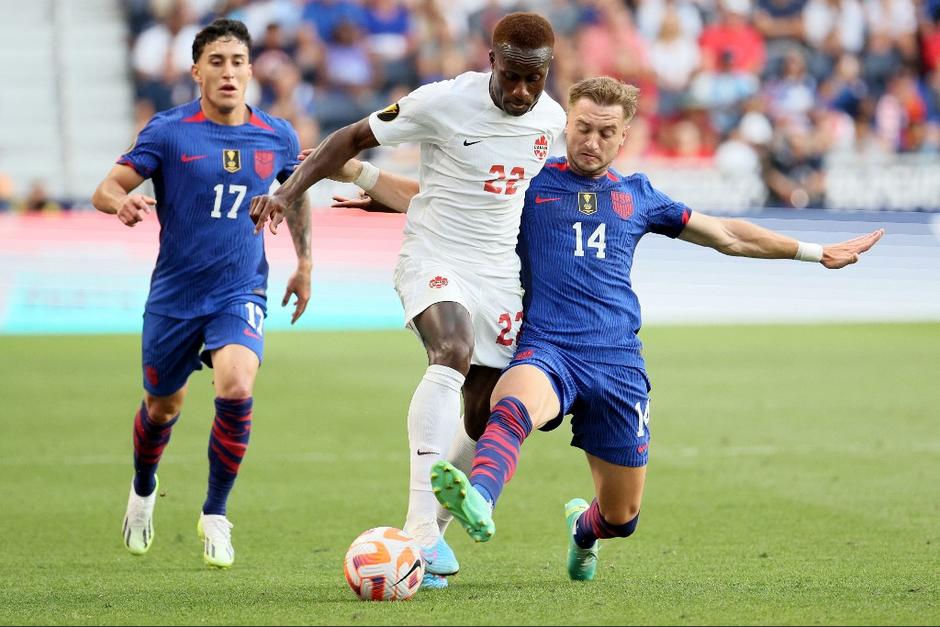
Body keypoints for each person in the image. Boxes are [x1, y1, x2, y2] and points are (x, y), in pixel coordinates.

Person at [327, 76, 884, 582]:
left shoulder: (637, 196)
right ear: (565, 124)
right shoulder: (530, 184)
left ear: (623, 138)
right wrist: (371, 183)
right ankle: (480, 501)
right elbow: (453, 204)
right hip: (547, 348)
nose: (590, 141)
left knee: (621, 517)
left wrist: (814, 252)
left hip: (618, 363)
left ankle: (583, 530)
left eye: (605, 132)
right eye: (582, 128)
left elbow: (728, 235)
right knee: (511, 408)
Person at [251, 12, 567, 588]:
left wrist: (392, 195)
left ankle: (435, 540)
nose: (521, 91)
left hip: (499, 274)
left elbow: (494, 197)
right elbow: (347, 139)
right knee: (450, 350)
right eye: (512, 76)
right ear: (491, 61)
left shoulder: (552, 122)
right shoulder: (442, 102)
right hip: (434, 257)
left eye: (534, 79)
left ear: (547, 72)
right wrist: (287, 190)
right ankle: (420, 531)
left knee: (484, 411)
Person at [91, 18, 312, 569]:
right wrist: (118, 202)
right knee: (162, 408)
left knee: (236, 387)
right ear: (197, 71)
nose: (230, 72)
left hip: (240, 290)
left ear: (250, 69)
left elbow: (297, 193)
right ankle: (143, 489)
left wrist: (305, 262)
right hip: (174, 298)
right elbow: (108, 185)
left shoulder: (277, 135)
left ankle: (215, 512)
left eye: (238, 61)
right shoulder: (168, 132)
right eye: (217, 61)